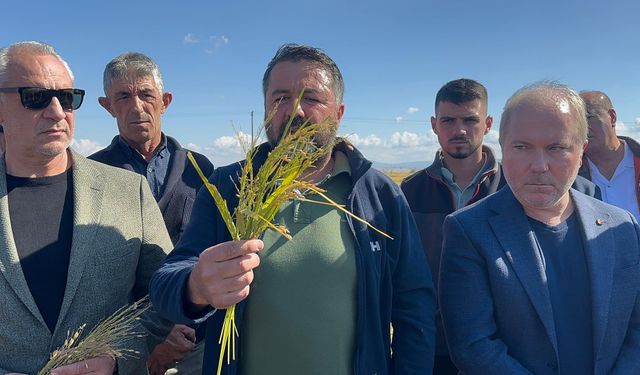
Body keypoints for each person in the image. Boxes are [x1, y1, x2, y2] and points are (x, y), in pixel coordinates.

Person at [150, 43, 436, 374]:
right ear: (266, 107)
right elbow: (166, 283)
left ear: (339, 113)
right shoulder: (229, 187)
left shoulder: (379, 195)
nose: (295, 110)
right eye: (281, 98)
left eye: (311, 98)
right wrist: (195, 286)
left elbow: (414, 307)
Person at [439, 81, 640, 374]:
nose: (539, 165)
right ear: (504, 147)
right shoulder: (468, 230)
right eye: (522, 147)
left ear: (581, 151)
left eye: (557, 148)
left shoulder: (621, 227)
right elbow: (473, 346)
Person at [0, 41, 173, 374]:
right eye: (35, 96)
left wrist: (118, 358)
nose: (56, 112)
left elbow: (162, 295)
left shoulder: (128, 191)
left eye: (67, 98)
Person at [89, 52, 213, 375]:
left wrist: (186, 321)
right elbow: (94, 274)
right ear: (107, 106)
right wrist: (152, 338)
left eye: (146, 94)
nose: (137, 107)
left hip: (196, 338)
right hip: (124, 348)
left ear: (165, 101)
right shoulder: (90, 176)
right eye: (123, 96)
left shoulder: (200, 170)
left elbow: (210, 250)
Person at [401, 78, 502, 374]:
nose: (459, 130)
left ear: (487, 124)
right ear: (434, 124)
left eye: (470, 120)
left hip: (499, 349)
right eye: (448, 120)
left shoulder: (511, 189)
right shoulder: (408, 191)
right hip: (431, 349)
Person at [578, 90, 640, 221]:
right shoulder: (569, 175)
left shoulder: (636, 162)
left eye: (587, 118)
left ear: (612, 117)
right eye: (575, 122)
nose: (581, 128)